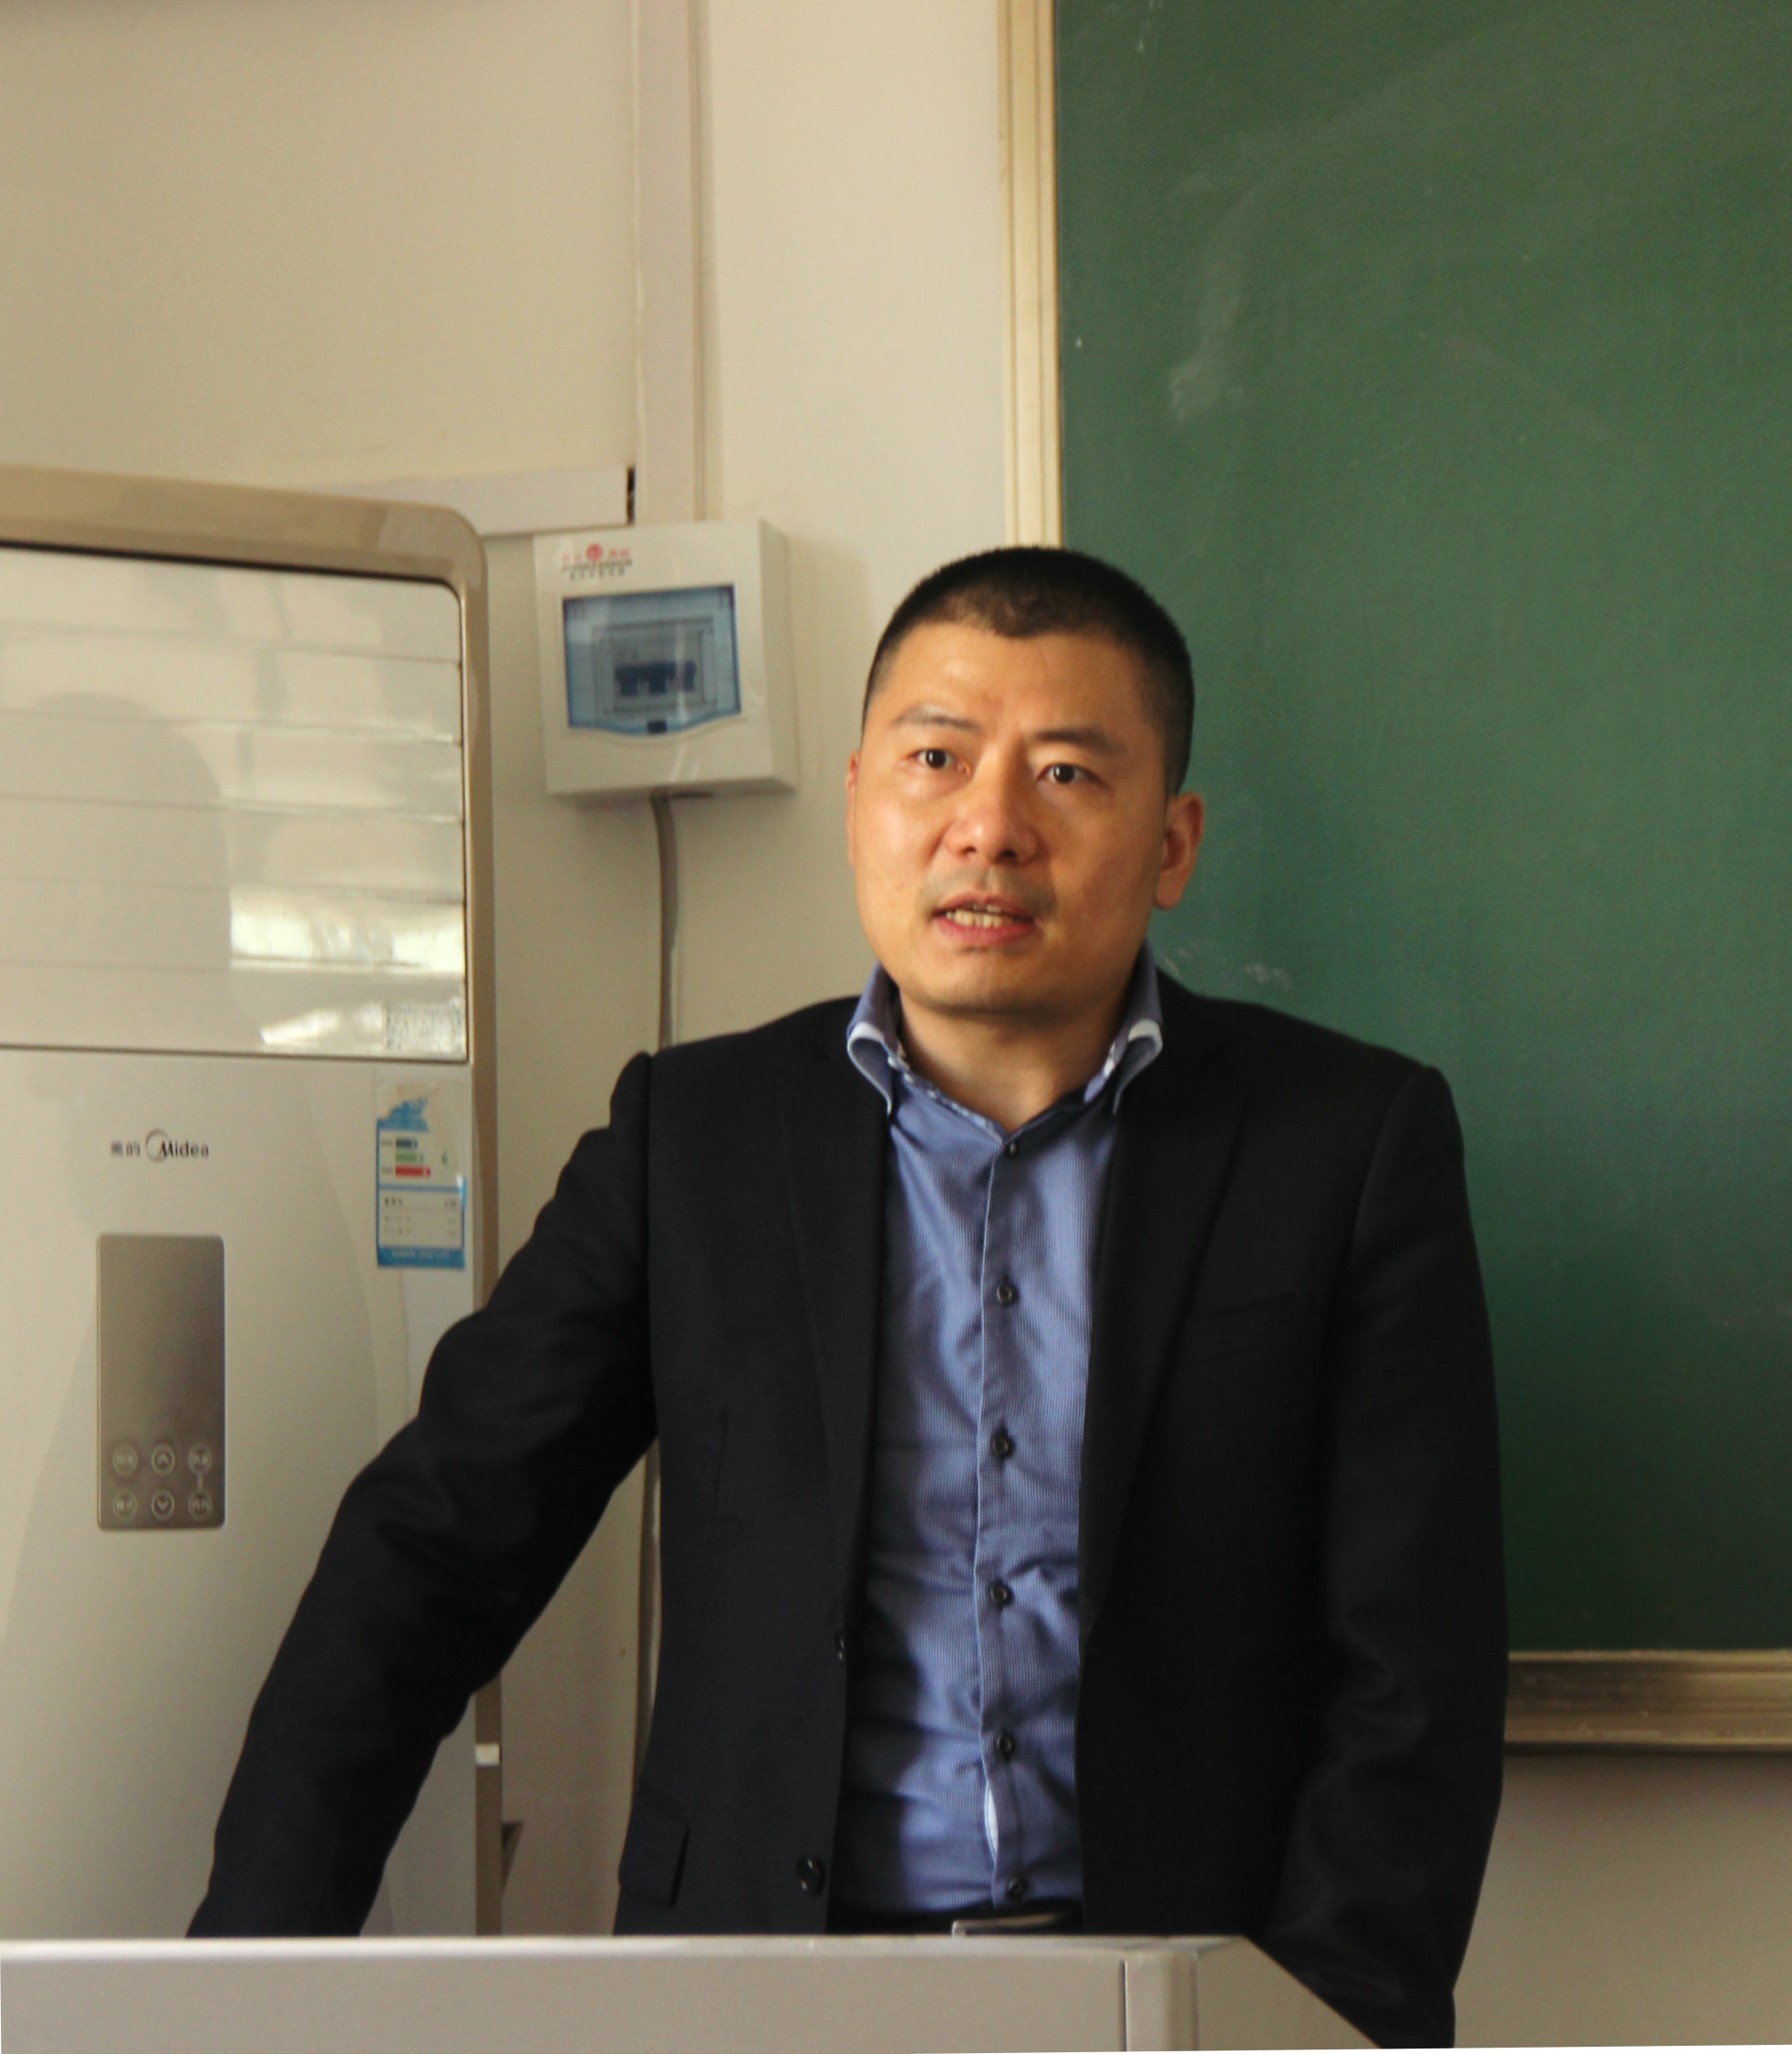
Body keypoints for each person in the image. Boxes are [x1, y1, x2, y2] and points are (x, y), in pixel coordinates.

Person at [192, 546, 1506, 2048]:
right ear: (856, 800)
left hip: (1185, 1998)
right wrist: (240, 1982)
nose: (987, 827)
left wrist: (1327, 2024)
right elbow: (430, 1554)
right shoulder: (692, 1139)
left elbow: (1414, 1662)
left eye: (1066, 774)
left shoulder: (1345, 1146)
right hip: (753, 1992)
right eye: (934, 759)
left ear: (1170, 842)